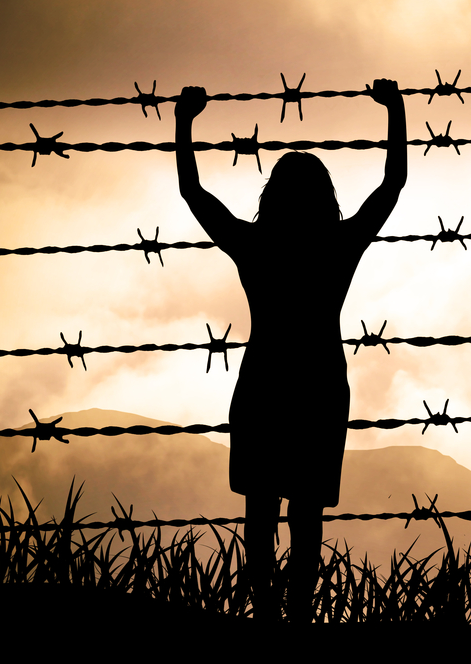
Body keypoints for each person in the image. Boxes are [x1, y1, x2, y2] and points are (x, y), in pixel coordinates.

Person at [175, 79, 407, 622]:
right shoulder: (338, 244)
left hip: (263, 383)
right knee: (306, 516)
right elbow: (391, 185)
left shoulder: (254, 244)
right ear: (325, 199)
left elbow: (194, 193)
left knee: (260, 511)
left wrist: (185, 120)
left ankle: (265, 618)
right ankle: (300, 618)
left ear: (270, 198)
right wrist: (395, 110)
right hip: (322, 384)